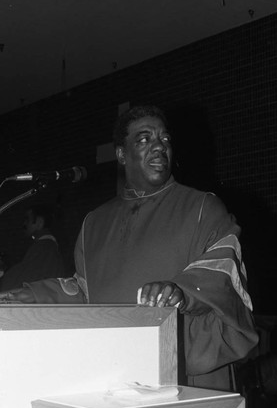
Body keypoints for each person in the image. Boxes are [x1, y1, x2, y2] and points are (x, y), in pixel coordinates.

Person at [0, 105, 258, 391]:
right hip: (119, 374)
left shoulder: (202, 207)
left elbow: (224, 272)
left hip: (185, 372)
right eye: (144, 139)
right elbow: (86, 290)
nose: (159, 146)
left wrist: (181, 292)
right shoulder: (94, 223)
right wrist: (36, 295)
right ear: (122, 154)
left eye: (165, 139)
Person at [0, 203, 64, 291]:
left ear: (40, 223)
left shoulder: (45, 248)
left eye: (27, 219)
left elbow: (23, 279)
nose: (24, 223)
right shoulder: (45, 246)